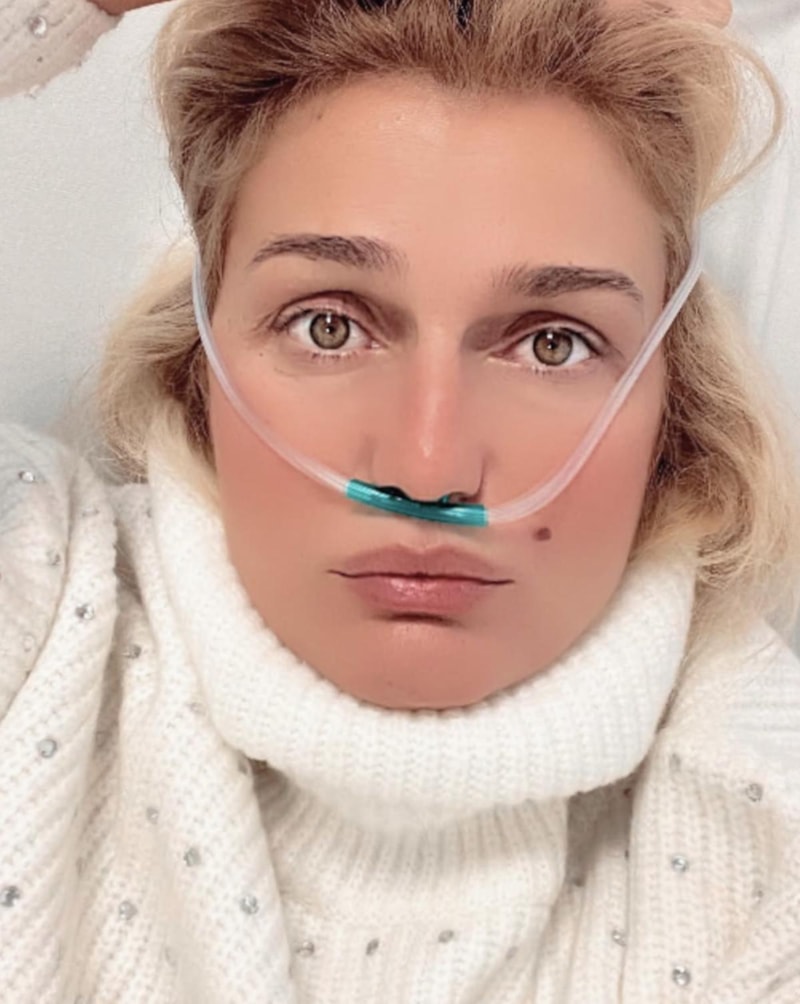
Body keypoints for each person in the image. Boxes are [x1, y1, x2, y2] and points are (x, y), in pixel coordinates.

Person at [1, 0, 799, 1001]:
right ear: (198, 361)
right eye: (328, 327)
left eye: (552, 342)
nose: (427, 473)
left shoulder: (767, 848)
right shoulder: (37, 602)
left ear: (673, 399)